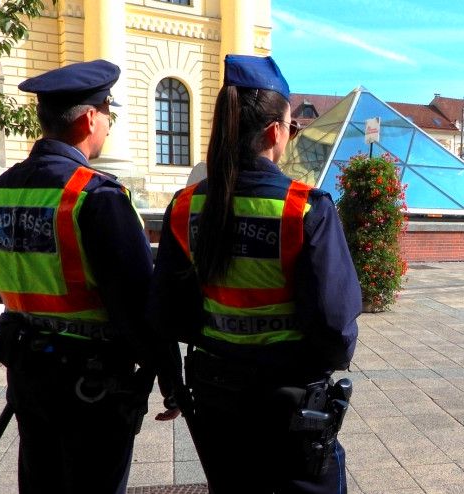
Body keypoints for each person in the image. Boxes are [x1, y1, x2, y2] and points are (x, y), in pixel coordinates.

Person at [148, 54, 361, 494]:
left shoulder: (186, 206)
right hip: (290, 401)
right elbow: (335, 325)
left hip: (215, 395)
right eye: (292, 126)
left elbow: (167, 314)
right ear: (274, 131)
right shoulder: (304, 207)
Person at [0, 60, 160, 494]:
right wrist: (163, 370)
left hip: (27, 371)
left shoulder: (1, 189)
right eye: (108, 114)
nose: (108, 125)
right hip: (91, 384)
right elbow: (135, 305)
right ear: (90, 118)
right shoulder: (96, 196)